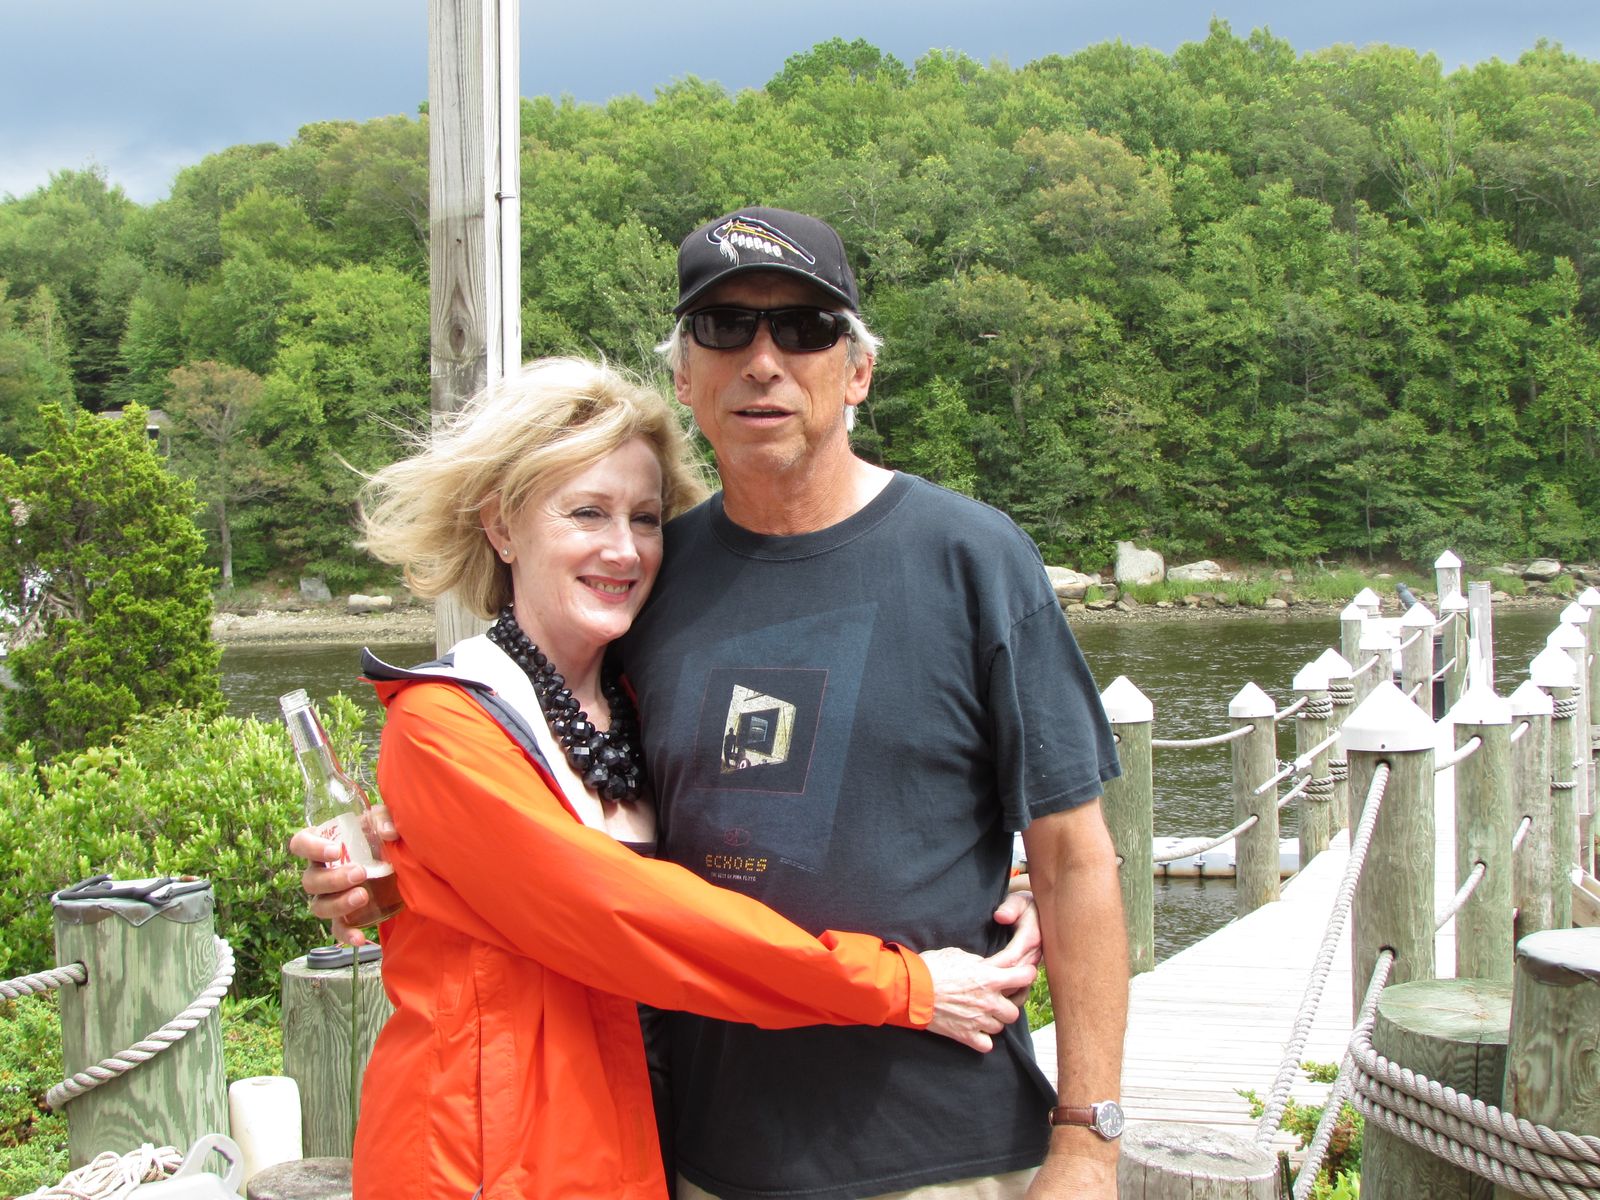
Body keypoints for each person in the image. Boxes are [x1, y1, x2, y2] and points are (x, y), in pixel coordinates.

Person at [303, 207, 1128, 1199]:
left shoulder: (974, 558)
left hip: (945, 1146)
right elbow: (587, 867)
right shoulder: (648, 588)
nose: (764, 361)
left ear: (859, 370)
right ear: (686, 377)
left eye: (805, 328)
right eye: (725, 327)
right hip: (693, 1152)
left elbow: (1075, 859)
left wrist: (1087, 1139)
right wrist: (408, 870)